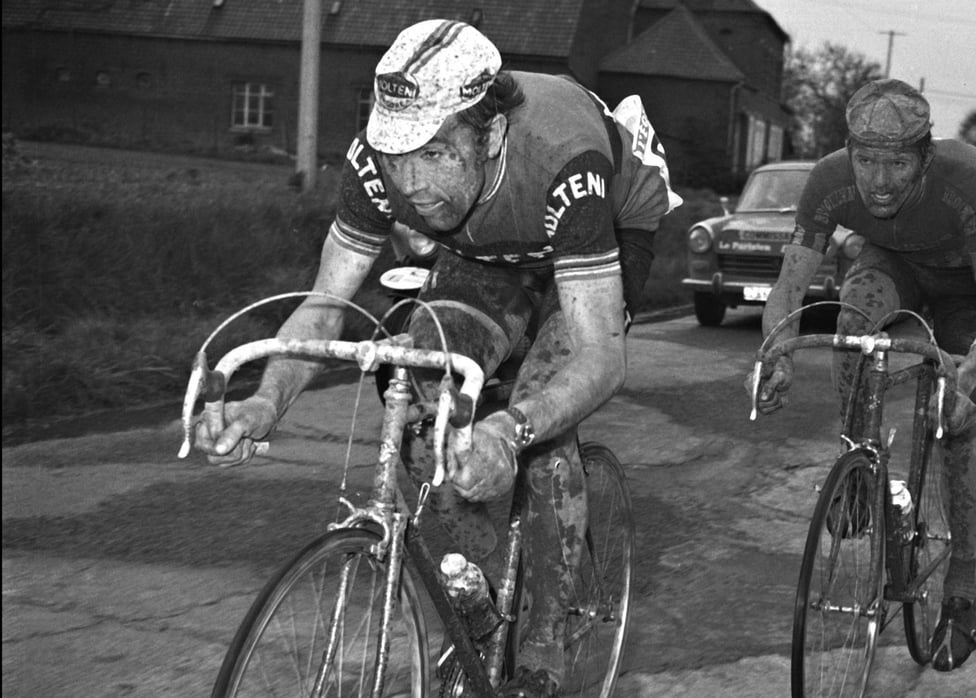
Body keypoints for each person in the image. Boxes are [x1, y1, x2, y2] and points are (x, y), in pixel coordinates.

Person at [193, 19, 680, 697]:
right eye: (398, 158)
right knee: (424, 397)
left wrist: (510, 430)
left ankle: (545, 646)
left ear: (492, 134)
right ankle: (479, 593)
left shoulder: (562, 155)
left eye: (434, 154)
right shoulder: (379, 165)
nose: (413, 183)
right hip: (484, 249)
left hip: (603, 229)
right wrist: (264, 402)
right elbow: (325, 306)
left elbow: (602, 357)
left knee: (542, 419)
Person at [751, 78, 976, 671]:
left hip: (967, 288)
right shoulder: (828, 180)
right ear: (848, 152)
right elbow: (789, 288)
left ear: (925, 158)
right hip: (893, 264)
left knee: (956, 424)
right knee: (852, 323)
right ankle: (858, 461)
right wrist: (777, 354)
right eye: (866, 161)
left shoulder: (968, 181)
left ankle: (962, 582)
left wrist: (970, 377)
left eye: (897, 164)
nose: (878, 181)